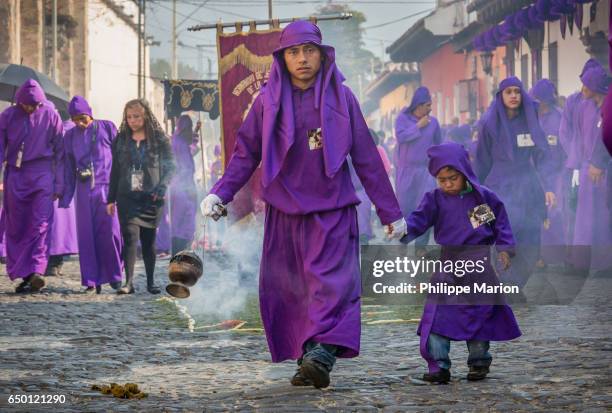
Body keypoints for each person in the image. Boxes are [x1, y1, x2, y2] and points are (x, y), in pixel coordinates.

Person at [200, 21, 405, 388]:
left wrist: (390, 212)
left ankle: (323, 353)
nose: (302, 59)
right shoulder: (266, 102)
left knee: (330, 285)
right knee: (292, 290)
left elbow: (367, 159)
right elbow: (245, 154)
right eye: (293, 52)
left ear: (322, 54)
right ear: (282, 58)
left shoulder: (343, 100)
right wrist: (220, 193)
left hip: (332, 211)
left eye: (309, 50)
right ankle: (310, 356)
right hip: (283, 214)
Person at [402, 142, 521, 383]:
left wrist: (505, 250)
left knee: (480, 314)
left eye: (452, 178)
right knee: (437, 316)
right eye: (441, 179)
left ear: (464, 172)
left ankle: (478, 362)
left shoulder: (481, 198)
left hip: (478, 265)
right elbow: (418, 221)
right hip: (448, 264)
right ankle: (439, 366)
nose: (447, 184)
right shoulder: (434, 199)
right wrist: (402, 230)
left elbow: (499, 225)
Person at [475, 77, 555, 292]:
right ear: (500, 96)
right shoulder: (489, 123)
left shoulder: (530, 120)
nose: (513, 96)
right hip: (498, 185)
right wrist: (475, 194)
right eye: (508, 92)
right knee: (498, 233)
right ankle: (503, 279)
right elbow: (481, 161)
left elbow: (542, 155)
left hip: (528, 185)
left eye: (517, 92)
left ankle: (516, 281)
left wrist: (549, 186)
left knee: (530, 233)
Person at [0, 79, 65, 293]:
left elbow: (61, 152)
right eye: (27, 105)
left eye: (35, 105)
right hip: (16, 176)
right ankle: (26, 274)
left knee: (41, 223)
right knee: (17, 226)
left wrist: (59, 183)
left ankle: (37, 269)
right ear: (19, 102)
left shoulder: (51, 114)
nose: (31, 109)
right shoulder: (7, 116)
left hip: (43, 174)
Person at [107, 99, 175, 294]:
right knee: (129, 237)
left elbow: (172, 167)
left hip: (152, 199)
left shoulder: (160, 140)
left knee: (148, 241)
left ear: (145, 115)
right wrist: (110, 199)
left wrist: (161, 188)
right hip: (126, 197)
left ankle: (151, 282)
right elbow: (115, 171)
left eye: (136, 116)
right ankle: (128, 283)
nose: (132, 121)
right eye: (129, 117)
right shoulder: (120, 140)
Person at [61, 96, 123, 294]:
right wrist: (65, 194)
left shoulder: (107, 127)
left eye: (82, 118)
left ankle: (115, 275)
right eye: (75, 119)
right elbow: (68, 167)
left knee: (111, 232)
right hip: (84, 190)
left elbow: (121, 157)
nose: (79, 123)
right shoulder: (69, 136)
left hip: (107, 189)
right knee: (86, 235)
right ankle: (91, 279)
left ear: (90, 114)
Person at [572, 65, 612, 274]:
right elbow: (578, 137)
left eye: (586, 85)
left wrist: (599, 162)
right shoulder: (584, 108)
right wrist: (576, 166)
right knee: (587, 219)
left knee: (604, 218)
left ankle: (605, 263)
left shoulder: (607, 107)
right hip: (589, 169)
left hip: (604, 170)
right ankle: (588, 262)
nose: (582, 89)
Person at [394, 86, 442, 247]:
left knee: (425, 207)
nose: (430, 108)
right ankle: (404, 241)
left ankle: (421, 246)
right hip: (406, 171)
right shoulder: (402, 119)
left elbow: (438, 145)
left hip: (426, 171)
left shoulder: (434, 123)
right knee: (405, 207)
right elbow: (401, 137)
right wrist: (418, 126)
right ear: (418, 105)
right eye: (427, 105)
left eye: (431, 105)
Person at [530, 79, 568, 267]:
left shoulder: (560, 118)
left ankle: (556, 256)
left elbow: (566, 145)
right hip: (535, 173)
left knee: (555, 212)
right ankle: (539, 256)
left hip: (556, 172)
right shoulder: (530, 119)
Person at [46, 119, 80, 277]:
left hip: (55, 181)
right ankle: (55, 261)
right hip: (67, 182)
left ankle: (52, 262)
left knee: (55, 225)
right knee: (61, 225)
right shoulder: (73, 132)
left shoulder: (60, 132)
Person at [169, 114, 199, 254]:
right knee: (186, 224)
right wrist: (190, 190)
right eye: (190, 127)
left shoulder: (176, 141)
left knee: (177, 224)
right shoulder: (180, 143)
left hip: (176, 188)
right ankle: (180, 256)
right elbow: (186, 168)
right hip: (183, 189)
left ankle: (177, 256)